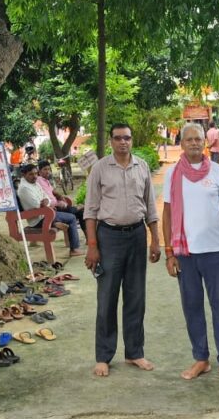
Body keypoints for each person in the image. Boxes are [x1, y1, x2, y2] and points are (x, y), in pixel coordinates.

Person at [162, 123, 219, 385]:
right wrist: (169, 252)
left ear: (205, 142)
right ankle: (201, 358)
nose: (194, 143)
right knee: (192, 307)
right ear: (182, 144)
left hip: (216, 251)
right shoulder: (173, 174)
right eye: (189, 139)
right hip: (185, 253)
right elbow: (167, 213)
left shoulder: (218, 172)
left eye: (198, 139)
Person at [83, 123, 161, 377]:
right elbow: (90, 210)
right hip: (109, 238)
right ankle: (103, 356)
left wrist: (155, 240)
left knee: (136, 297)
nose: (122, 142)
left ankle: (134, 352)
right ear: (111, 141)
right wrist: (92, 246)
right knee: (107, 298)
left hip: (137, 235)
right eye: (117, 138)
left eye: (126, 137)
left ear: (131, 140)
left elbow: (150, 207)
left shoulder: (142, 166)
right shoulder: (100, 168)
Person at [18, 163, 84, 255]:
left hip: (46, 214)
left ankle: (56, 224)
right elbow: (37, 205)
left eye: (36, 173)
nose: (34, 176)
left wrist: (46, 202)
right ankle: (74, 249)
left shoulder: (34, 184)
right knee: (72, 218)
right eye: (31, 174)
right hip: (39, 219)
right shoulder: (24, 188)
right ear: (24, 175)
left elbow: (46, 198)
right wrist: (45, 203)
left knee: (71, 215)